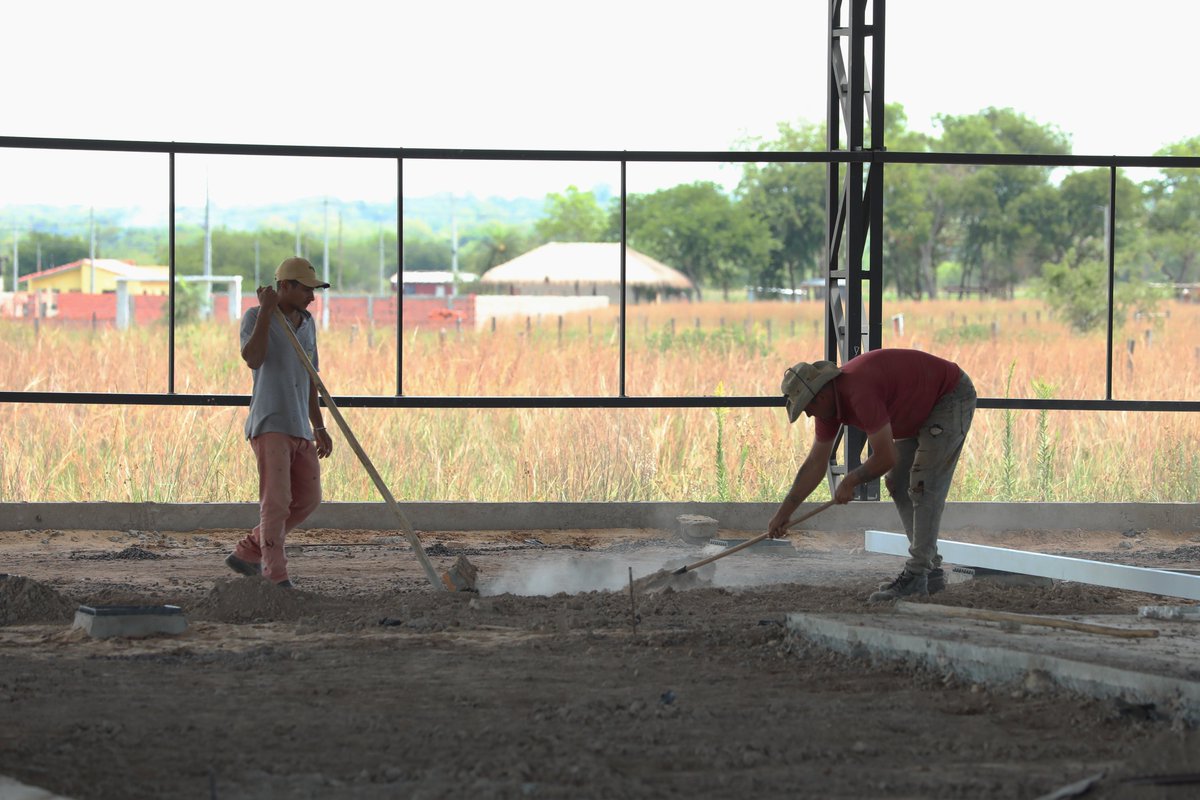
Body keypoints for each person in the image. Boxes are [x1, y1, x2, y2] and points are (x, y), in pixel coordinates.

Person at [769, 349, 976, 602]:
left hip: (949, 396)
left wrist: (851, 480)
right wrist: (784, 513)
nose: (809, 414)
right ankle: (929, 569)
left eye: (808, 407)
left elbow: (886, 456)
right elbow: (815, 463)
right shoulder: (827, 406)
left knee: (924, 484)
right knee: (897, 481)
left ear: (821, 393)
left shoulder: (858, 391)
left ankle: (917, 574)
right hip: (920, 406)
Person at [225, 257, 333, 588]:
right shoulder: (257, 317)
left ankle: (249, 549)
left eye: (314, 291)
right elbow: (253, 358)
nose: (312, 298)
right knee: (276, 503)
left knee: (308, 499)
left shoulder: (307, 323)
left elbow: (311, 377)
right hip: (271, 422)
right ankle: (276, 575)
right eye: (305, 290)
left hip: (300, 424)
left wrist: (319, 425)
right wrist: (268, 312)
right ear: (283, 286)